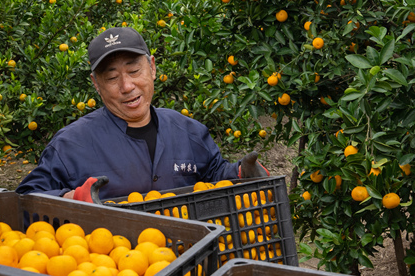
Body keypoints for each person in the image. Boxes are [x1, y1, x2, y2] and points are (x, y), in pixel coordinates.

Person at [16, 26, 268, 202]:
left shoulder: (189, 131)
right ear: (96, 84)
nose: (127, 86)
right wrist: (70, 197)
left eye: (134, 71)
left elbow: (213, 175)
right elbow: (24, 199)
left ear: (152, 68)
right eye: (112, 78)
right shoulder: (70, 145)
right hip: (111, 260)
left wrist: (239, 174)